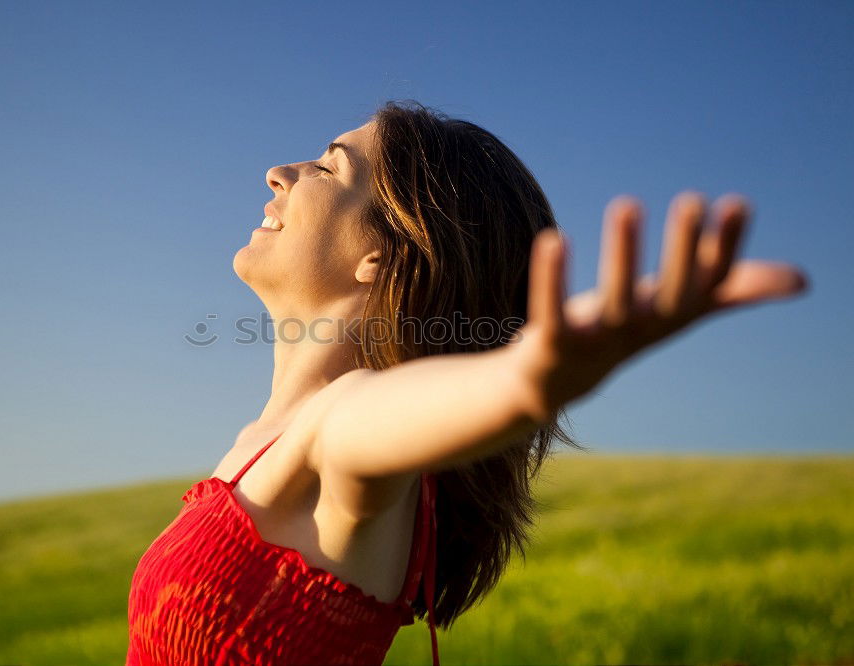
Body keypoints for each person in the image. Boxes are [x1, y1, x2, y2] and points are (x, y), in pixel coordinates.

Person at [125, 100, 807, 666]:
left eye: (330, 168)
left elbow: (382, 417)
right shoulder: (265, 439)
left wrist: (525, 380)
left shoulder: (344, 426)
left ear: (380, 254)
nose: (279, 173)